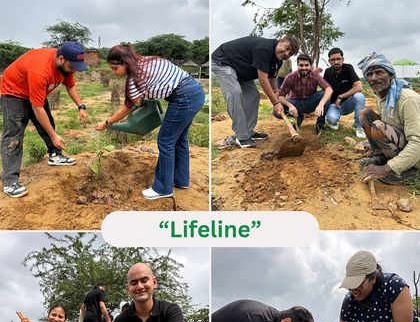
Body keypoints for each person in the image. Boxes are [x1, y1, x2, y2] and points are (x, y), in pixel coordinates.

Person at [95, 43, 205, 200]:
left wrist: (106, 123)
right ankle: (181, 180)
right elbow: (143, 97)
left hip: (184, 97)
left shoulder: (134, 79)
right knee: (179, 139)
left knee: (165, 140)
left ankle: (162, 189)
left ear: (125, 63)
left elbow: (126, 108)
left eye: (115, 68)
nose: (114, 73)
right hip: (195, 91)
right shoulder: (145, 61)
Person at [1, 42, 88, 198]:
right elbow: (37, 108)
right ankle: (10, 181)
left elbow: (71, 86)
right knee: (14, 136)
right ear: (61, 59)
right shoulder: (40, 69)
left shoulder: (66, 66)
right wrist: (54, 136)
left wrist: (81, 106)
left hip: (35, 92)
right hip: (14, 92)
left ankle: (55, 155)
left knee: (48, 123)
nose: (74, 70)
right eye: (73, 66)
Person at [212, 35, 299, 148]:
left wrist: (278, 101)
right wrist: (275, 103)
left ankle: (248, 131)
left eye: (290, 54)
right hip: (223, 62)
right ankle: (242, 137)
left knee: (253, 95)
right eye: (287, 48)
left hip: (240, 69)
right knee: (235, 93)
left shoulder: (278, 62)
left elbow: (274, 85)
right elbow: (263, 80)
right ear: (281, 41)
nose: (287, 54)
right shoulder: (264, 49)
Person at [357, 52, 420, 184]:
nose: (373, 78)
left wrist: (387, 168)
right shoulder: (382, 96)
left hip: (416, 154)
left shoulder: (407, 99)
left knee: (378, 125)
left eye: (379, 72)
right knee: (365, 114)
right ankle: (379, 156)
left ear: (391, 75)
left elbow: (417, 142)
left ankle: (408, 170)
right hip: (403, 142)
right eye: (369, 74)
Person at [278, 54, 333, 135]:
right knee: (277, 111)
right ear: (297, 66)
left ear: (310, 66)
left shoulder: (315, 76)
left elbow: (329, 89)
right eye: (301, 65)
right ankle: (298, 118)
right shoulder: (290, 77)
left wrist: (321, 104)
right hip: (296, 104)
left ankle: (320, 125)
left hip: (311, 102)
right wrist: (290, 105)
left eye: (306, 65)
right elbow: (280, 96)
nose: (304, 68)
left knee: (325, 94)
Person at [323, 47, 366, 138]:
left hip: (348, 103)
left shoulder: (348, 68)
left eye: (338, 59)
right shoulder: (327, 72)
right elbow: (325, 90)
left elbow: (359, 87)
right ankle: (332, 119)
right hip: (335, 105)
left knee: (359, 96)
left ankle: (359, 126)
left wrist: (341, 97)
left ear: (343, 59)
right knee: (332, 121)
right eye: (333, 60)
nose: (336, 62)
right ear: (329, 61)